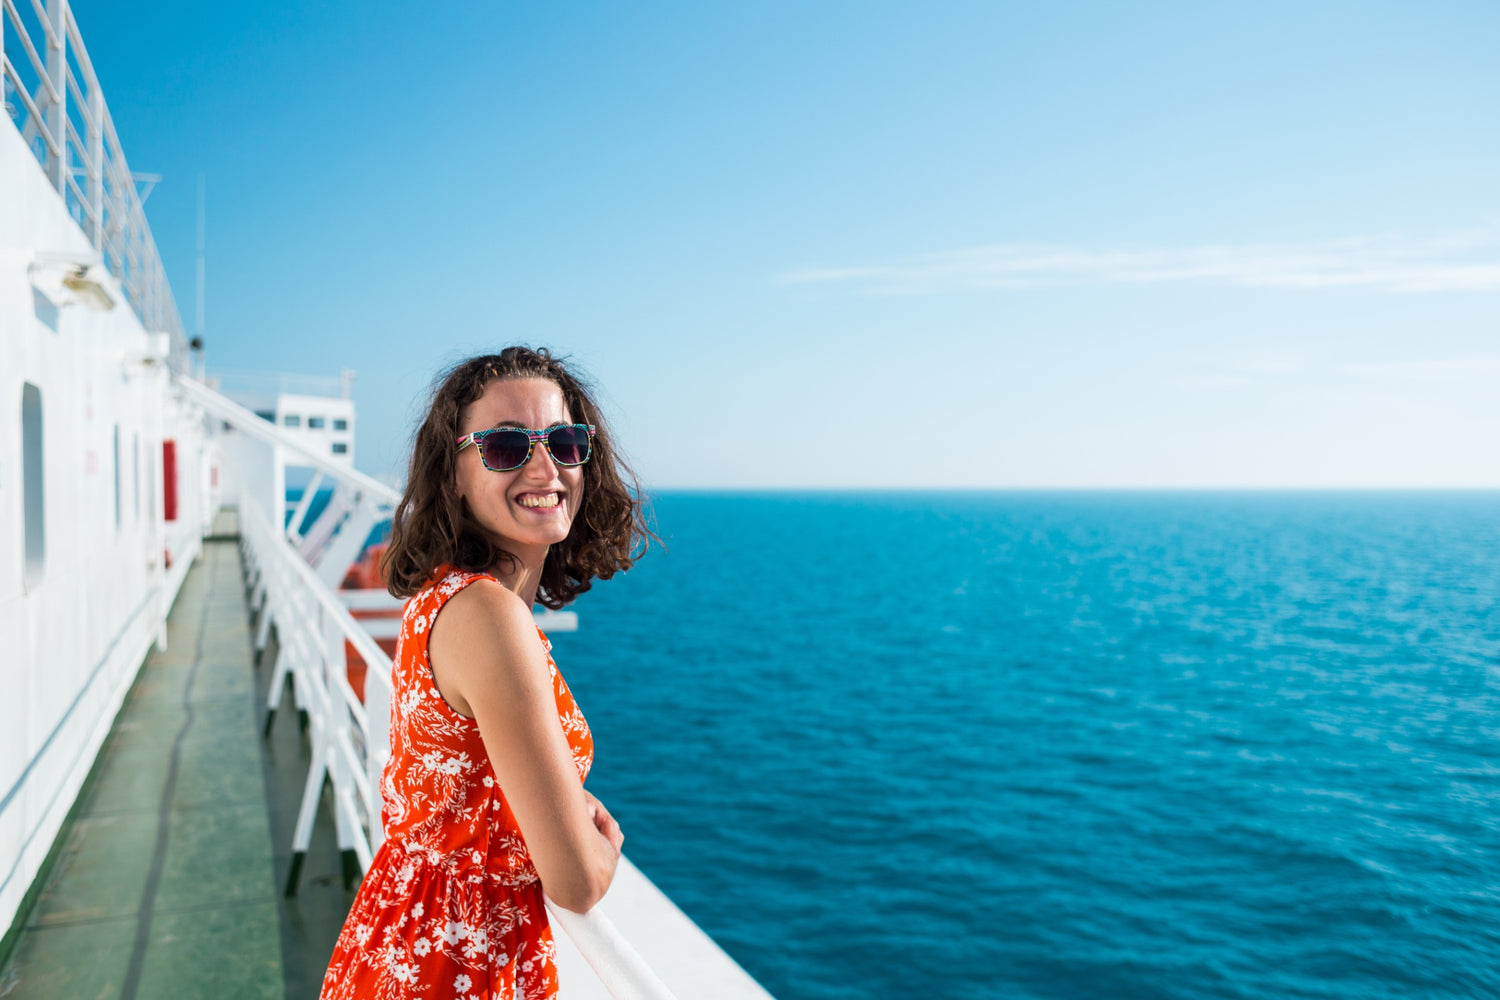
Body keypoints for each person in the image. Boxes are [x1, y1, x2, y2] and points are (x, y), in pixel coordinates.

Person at [322, 347, 655, 999]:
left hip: (407, 945)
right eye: (505, 447)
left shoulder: (446, 599)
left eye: (564, 441)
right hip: (449, 970)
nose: (544, 465)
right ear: (453, 475)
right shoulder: (489, 617)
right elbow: (576, 882)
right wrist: (601, 846)